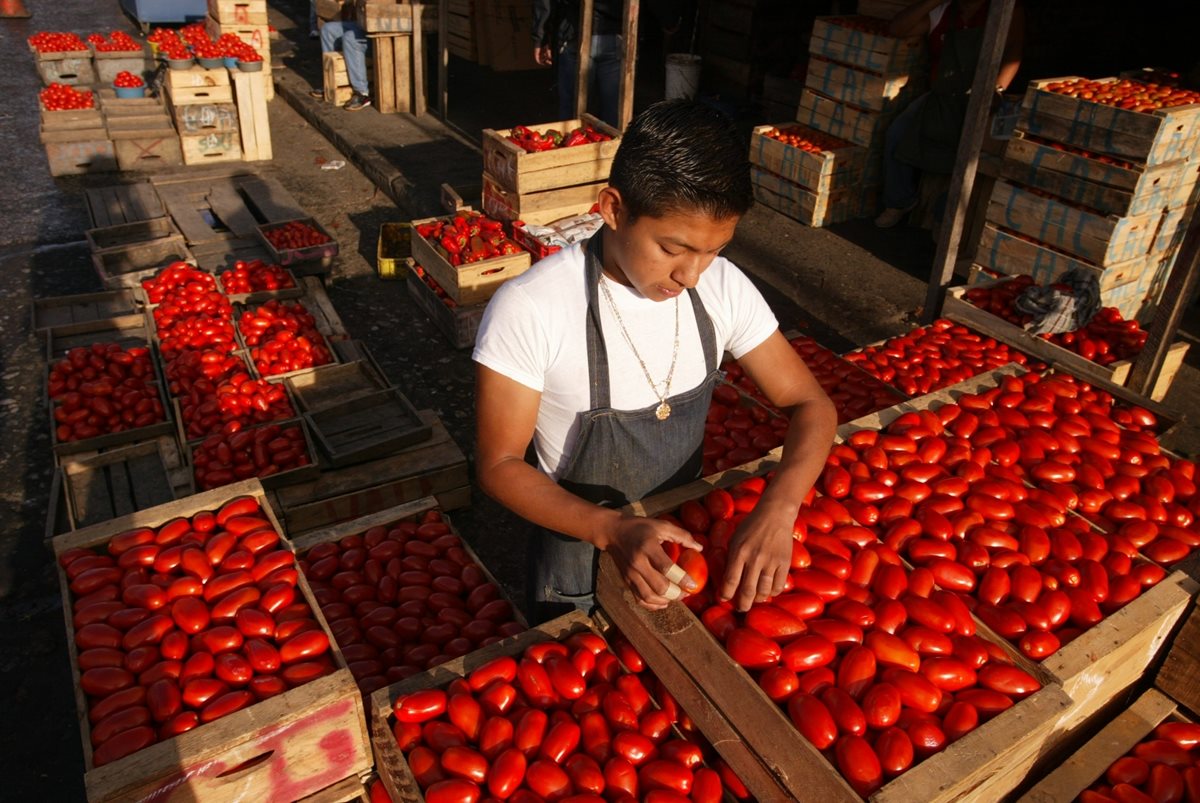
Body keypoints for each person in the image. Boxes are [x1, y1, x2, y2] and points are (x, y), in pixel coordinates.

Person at [473, 100, 838, 624]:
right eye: (673, 248)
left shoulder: (722, 288)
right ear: (613, 208)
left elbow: (810, 404)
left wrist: (781, 508)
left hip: (685, 544)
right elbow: (499, 465)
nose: (692, 273)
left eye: (713, 250)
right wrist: (611, 529)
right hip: (579, 548)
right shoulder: (533, 307)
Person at [874, 0, 1024, 228]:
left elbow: (1014, 51)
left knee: (977, 155)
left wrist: (997, 89)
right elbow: (897, 29)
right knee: (897, 134)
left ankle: (943, 217)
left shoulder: (1003, 10)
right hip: (941, 95)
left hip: (982, 97)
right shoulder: (942, 12)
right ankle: (899, 201)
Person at [533, 0, 623, 126]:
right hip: (613, 35)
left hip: (576, 33)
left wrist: (541, 37)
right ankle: (616, 144)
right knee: (613, 108)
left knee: (573, 110)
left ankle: (574, 142)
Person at [308, 0, 371, 111]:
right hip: (363, 24)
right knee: (328, 30)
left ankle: (362, 93)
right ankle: (331, 82)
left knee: (350, 38)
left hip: (379, 32)